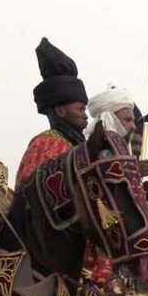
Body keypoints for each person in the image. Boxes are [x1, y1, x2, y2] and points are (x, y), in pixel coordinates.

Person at [15, 38, 88, 186]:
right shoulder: (46, 144)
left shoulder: (77, 147)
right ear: (60, 111)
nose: (85, 115)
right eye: (80, 109)